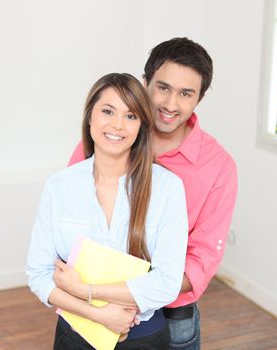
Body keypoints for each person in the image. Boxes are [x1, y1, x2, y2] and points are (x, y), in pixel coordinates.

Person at [69, 38, 238, 349]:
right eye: (163, 88)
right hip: (91, 305)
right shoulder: (107, 137)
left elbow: (201, 259)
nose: (171, 104)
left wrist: (133, 293)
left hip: (171, 318)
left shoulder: (219, 166)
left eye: (186, 93)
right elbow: (70, 220)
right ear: (145, 83)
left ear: (199, 98)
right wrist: (99, 296)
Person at [27, 73, 188, 349]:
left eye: (131, 116)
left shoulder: (167, 188)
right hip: (75, 336)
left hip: (143, 339)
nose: (117, 124)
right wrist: (98, 313)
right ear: (90, 117)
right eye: (107, 111)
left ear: (141, 126)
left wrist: (84, 290)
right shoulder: (60, 186)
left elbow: (167, 282)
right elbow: (39, 274)